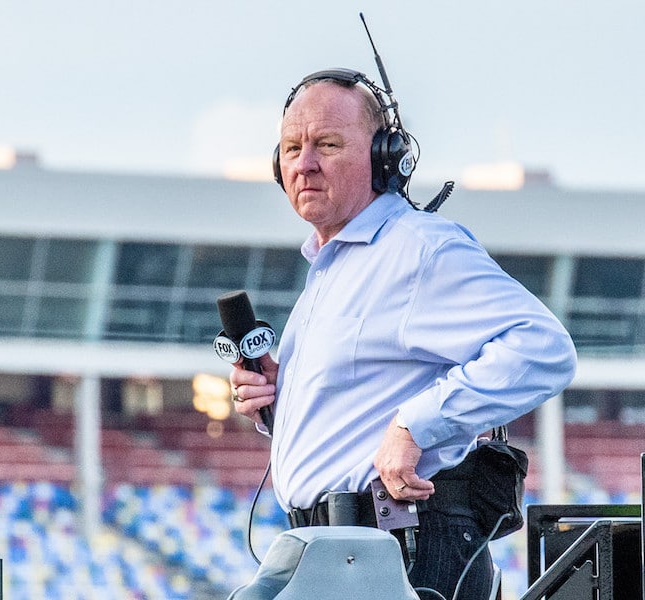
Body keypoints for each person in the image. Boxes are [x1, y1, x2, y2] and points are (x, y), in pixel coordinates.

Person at [229, 72, 577, 598]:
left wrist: (413, 427)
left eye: (327, 144)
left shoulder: (419, 249)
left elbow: (543, 348)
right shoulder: (332, 267)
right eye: (292, 148)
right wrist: (286, 397)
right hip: (330, 549)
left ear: (385, 156)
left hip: (396, 547)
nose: (305, 163)